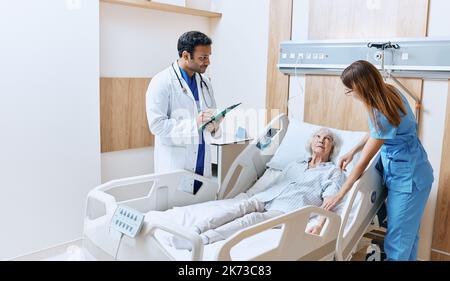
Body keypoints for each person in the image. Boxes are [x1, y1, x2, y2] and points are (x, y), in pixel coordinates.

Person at [322, 60, 434, 261]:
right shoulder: (388, 93)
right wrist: (352, 149)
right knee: (408, 239)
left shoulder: (382, 112)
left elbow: (362, 163)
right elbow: (375, 132)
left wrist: (339, 195)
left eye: (350, 91)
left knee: (398, 244)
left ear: (361, 88)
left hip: (409, 179)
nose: (350, 95)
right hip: (413, 170)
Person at [167, 128, 346, 249]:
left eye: (327, 139)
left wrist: (320, 223)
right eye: (318, 137)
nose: (321, 141)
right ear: (311, 142)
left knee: (252, 218)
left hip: (289, 209)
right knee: (239, 207)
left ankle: (203, 240)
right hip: (268, 197)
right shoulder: (296, 164)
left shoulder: (333, 172)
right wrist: (256, 192)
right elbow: (278, 182)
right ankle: (195, 230)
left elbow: (330, 200)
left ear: (332, 147)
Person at [146, 31, 222, 194]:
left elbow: (210, 114)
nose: (208, 62)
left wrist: (214, 125)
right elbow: (156, 125)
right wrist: (194, 123)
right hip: (176, 166)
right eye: (203, 57)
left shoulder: (205, 82)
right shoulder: (161, 82)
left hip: (202, 163)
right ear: (186, 56)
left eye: (209, 56)